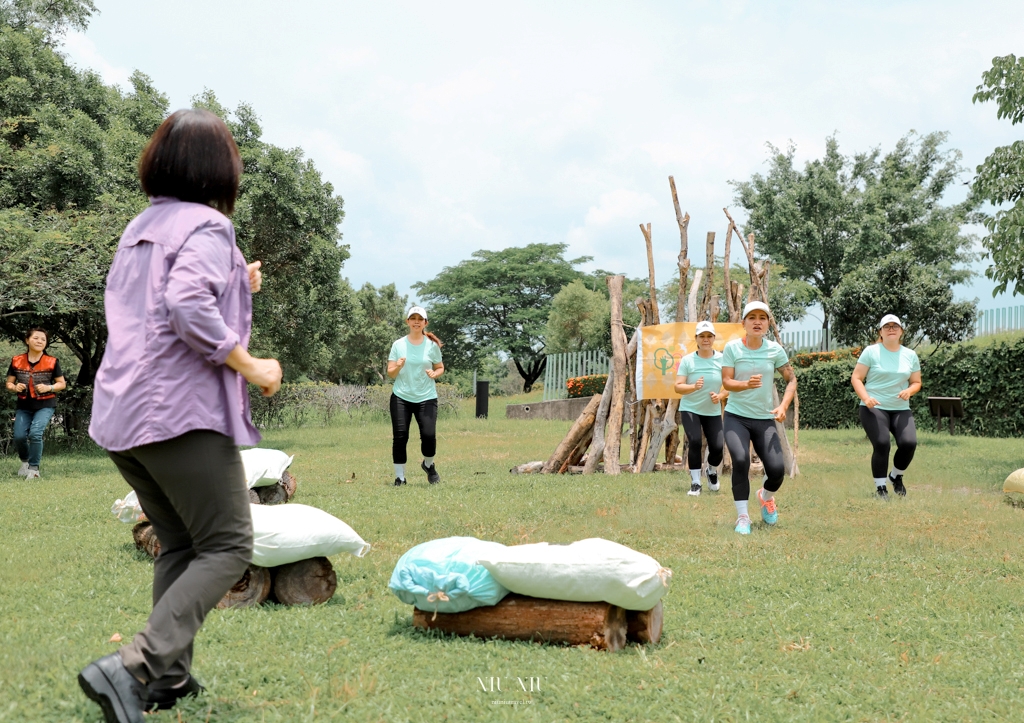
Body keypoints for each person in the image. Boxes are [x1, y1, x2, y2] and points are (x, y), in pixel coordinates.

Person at [78, 108, 282, 723]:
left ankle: (166, 677)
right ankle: (132, 666)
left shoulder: (142, 225)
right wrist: (252, 366)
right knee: (227, 544)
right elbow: (187, 303)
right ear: (222, 168)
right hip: (177, 414)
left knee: (181, 543)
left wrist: (237, 282)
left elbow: (156, 299)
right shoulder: (210, 227)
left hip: (122, 412)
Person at [721, 301, 797, 535]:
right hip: (736, 418)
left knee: (776, 469)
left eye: (762, 318)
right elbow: (726, 381)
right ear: (743, 323)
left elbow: (791, 380)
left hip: (765, 419)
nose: (757, 321)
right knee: (741, 461)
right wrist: (744, 384)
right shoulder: (732, 348)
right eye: (751, 317)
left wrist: (783, 406)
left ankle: (765, 497)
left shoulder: (775, 350)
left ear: (767, 323)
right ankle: (743, 517)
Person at [850, 314, 921, 499]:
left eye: (895, 326)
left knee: (909, 443)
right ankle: (881, 489)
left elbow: (916, 382)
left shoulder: (910, 355)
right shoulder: (871, 351)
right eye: (887, 326)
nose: (891, 329)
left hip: (900, 407)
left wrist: (910, 391)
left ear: (901, 331)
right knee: (882, 443)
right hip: (874, 406)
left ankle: (895, 476)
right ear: (880, 332)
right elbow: (856, 377)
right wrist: (866, 398)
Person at [387, 306, 445, 486]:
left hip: (426, 397)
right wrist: (398, 366)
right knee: (400, 437)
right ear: (408, 322)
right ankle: (400, 478)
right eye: (413, 318)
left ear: (425, 323)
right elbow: (391, 373)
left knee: (428, 435)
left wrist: (436, 374)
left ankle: (428, 465)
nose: (416, 321)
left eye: (420, 318)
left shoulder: (432, 346)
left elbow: (440, 367)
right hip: (401, 397)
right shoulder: (398, 345)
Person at [673, 320, 728, 496]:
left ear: (713, 338)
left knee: (718, 447)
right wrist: (693, 387)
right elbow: (678, 386)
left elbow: (729, 385)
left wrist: (720, 396)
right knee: (695, 441)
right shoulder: (688, 360)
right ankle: (696, 483)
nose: (706, 339)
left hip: (711, 410)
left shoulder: (722, 359)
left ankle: (711, 470)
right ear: (696, 338)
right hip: (690, 408)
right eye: (702, 336)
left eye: (709, 336)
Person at [5, 327, 67, 479]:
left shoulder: (52, 361)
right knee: (19, 436)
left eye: (43, 339)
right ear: (27, 340)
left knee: (35, 433)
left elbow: (61, 384)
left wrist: (49, 387)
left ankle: (34, 469)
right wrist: (15, 387)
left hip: (45, 405)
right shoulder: (16, 360)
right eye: (36, 338)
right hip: (24, 405)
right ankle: (25, 462)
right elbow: (9, 383)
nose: (40, 341)